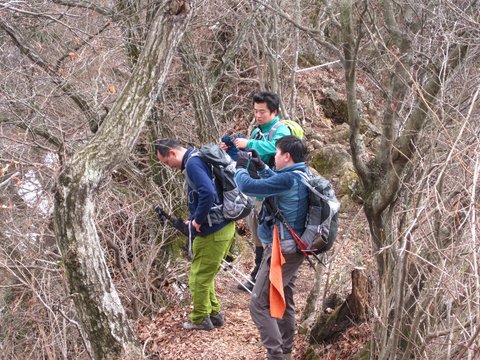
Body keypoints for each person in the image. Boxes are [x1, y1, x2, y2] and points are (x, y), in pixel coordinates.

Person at [234, 135, 309, 360]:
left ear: (286, 156)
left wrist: (240, 168)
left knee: (258, 304)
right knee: (284, 299)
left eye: (276, 153)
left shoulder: (288, 180)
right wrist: (262, 166)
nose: (274, 157)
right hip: (294, 248)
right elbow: (276, 183)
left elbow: (247, 186)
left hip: (282, 251)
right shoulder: (302, 173)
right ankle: (285, 351)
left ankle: (276, 355)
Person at [155, 139, 235, 331]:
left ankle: (200, 318)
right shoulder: (197, 158)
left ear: (172, 153)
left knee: (198, 277)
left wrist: (197, 220)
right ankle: (214, 314)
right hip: (222, 226)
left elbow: (207, 192)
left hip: (214, 230)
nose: (169, 167)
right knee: (206, 275)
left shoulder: (192, 163)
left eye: (166, 162)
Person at [221, 91, 291, 292]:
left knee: (268, 235)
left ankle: (265, 278)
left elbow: (275, 149)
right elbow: (248, 158)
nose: (258, 116)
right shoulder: (256, 131)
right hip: (254, 191)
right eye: (256, 111)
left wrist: (249, 144)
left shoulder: (281, 130)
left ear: (274, 112)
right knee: (257, 236)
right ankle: (259, 273)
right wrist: (232, 150)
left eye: (262, 112)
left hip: (272, 193)